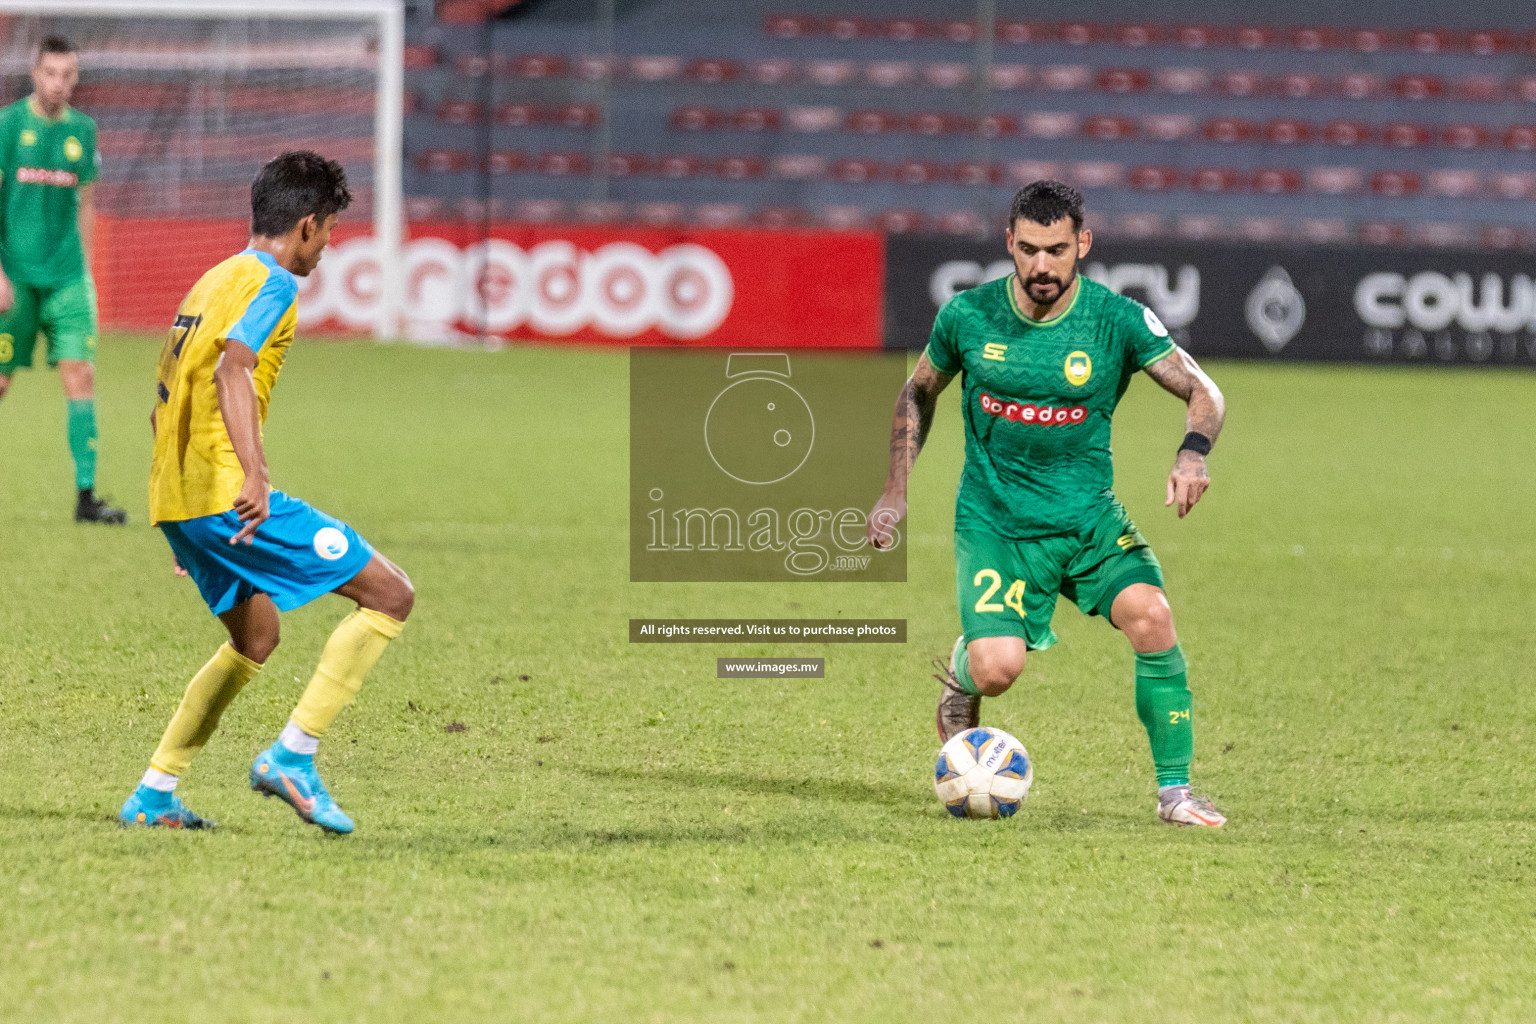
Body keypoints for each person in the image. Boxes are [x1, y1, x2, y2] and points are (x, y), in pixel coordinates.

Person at [867, 180, 1228, 827]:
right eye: (1028, 249)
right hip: (996, 524)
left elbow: (1205, 391)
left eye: (1056, 250)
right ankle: (964, 670)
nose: (1041, 265)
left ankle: (1175, 794)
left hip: (1088, 520)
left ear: (1081, 244)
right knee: (998, 670)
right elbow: (916, 393)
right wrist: (895, 489)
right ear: (1009, 242)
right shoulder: (968, 318)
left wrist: (1192, 451)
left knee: (1153, 616)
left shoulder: (1115, 320)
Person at [118, 151, 414, 834]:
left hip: (183, 496)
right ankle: (293, 756)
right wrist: (252, 474)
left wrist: (183, 521)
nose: (330, 246)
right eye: (332, 230)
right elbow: (232, 373)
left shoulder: (212, 280)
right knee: (391, 594)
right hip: (225, 492)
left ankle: (154, 794)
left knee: (257, 635)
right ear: (306, 225)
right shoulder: (275, 284)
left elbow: (164, 402)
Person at [0, 34, 125, 523]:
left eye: (66, 75)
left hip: (68, 278)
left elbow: (87, 205)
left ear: (76, 78)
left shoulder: (84, 132)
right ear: (35, 74)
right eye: (49, 74)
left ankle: (86, 496)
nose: (57, 84)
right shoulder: (8, 126)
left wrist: (86, 271)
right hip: (15, 278)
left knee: (81, 374)